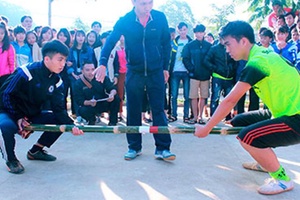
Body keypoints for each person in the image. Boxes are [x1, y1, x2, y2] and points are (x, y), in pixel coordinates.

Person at [194, 20, 300, 195]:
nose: (227, 50)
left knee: (247, 137)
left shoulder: (258, 62)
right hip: (282, 111)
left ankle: (282, 179)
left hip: (296, 118)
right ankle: (265, 160)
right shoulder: (263, 54)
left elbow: (230, 100)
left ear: (243, 41)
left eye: (228, 44)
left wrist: (206, 128)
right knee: (237, 121)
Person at [94, 0, 175, 161]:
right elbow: (110, 41)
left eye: (150, 3)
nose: (147, 7)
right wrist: (102, 63)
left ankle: (163, 148)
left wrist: (165, 68)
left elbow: (166, 44)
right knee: (133, 110)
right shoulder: (125, 20)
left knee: (158, 110)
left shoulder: (159, 18)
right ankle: (134, 147)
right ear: (134, 2)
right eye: (143, 4)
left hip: (156, 71)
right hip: (134, 72)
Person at [0, 40, 84, 174]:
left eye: (65, 60)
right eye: (60, 59)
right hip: (9, 112)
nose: (63, 64)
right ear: (46, 59)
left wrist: (71, 125)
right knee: (5, 127)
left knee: (59, 121)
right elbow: (5, 95)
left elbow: (59, 108)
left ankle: (36, 150)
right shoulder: (25, 72)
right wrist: (18, 117)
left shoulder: (57, 80)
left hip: (32, 114)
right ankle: (11, 159)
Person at [182, 24, 212, 124]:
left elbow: (212, 59)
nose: (199, 34)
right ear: (194, 33)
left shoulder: (209, 46)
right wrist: (191, 69)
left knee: (203, 96)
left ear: (204, 33)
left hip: (205, 75)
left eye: (201, 32)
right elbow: (185, 59)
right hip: (193, 75)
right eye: (197, 32)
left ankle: (200, 116)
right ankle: (194, 117)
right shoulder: (189, 45)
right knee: (193, 96)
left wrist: (209, 70)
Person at [204, 33, 237, 121]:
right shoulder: (214, 49)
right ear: (219, 38)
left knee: (228, 99)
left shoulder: (231, 48)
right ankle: (213, 116)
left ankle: (228, 116)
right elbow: (206, 61)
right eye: (222, 38)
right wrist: (215, 68)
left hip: (229, 77)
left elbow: (235, 60)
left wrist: (232, 69)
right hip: (217, 77)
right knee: (215, 98)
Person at [168, 22, 192, 123]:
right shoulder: (174, 42)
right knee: (174, 95)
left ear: (187, 30)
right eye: (181, 30)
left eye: (184, 30)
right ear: (178, 30)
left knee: (187, 96)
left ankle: (186, 116)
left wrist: (190, 68)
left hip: (186, 72)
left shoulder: (191, 42)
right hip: (175, 71)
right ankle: (173, 115)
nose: (183, 32)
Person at [0, 22, 15, 87]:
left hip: (5, 76)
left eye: (2, 33)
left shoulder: (9, 47)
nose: (0, 35)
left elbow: (11, 62)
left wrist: (12, 76)